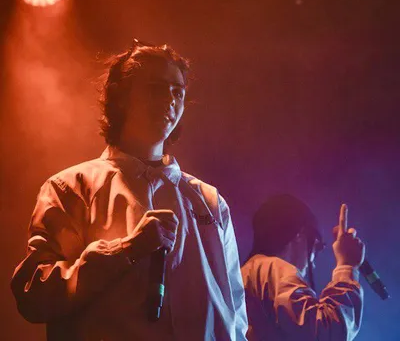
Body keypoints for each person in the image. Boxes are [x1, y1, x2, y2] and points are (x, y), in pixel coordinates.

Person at [11, 40, 247, 341]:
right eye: (155, 88)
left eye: (177, 91)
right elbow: (35, 295)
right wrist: (125, 250)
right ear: (120, 97)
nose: (169, 100)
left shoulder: (209, 200)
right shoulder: (70, 188)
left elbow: (235, 311)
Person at [241, 194, 364, 341]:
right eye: (317, 247)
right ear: (300, 234)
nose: (313, 262)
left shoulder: (248, 273)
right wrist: (347, 266)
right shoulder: (273, 269)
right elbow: (326, 333)